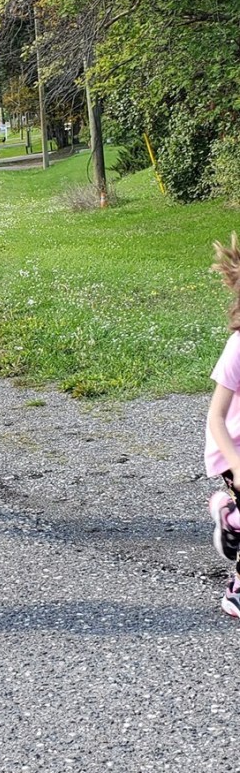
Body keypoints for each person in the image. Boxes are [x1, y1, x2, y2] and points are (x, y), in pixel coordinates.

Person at [205, 233, 240, 618]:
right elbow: (216, 417)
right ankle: (236, 592)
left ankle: (231, 518)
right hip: (231, 447)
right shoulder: (238, 348)